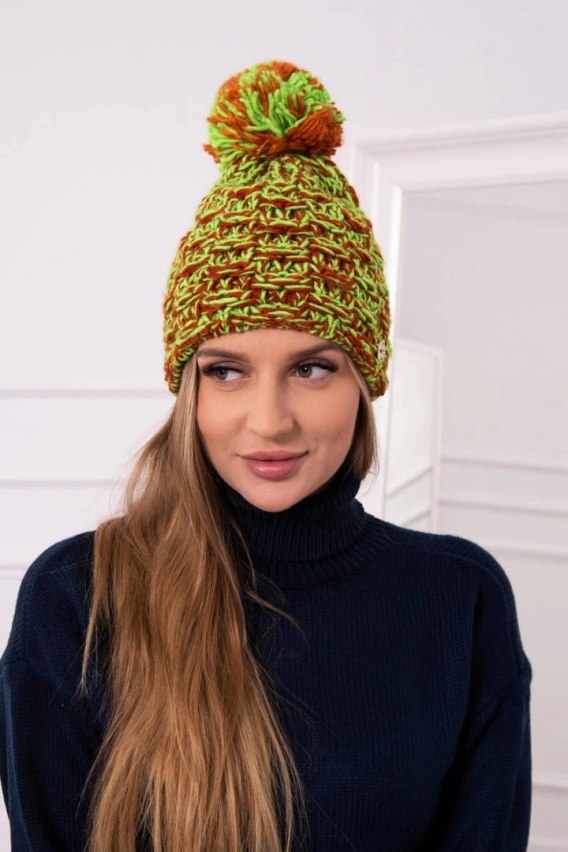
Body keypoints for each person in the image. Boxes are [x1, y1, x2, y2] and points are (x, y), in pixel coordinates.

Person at [0, 60, 533, 852]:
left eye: (312, 369)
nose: (269, 421)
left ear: (364, 381)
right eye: (227, 371)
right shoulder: (79, 598)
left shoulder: (460, 599)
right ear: (190, 390)